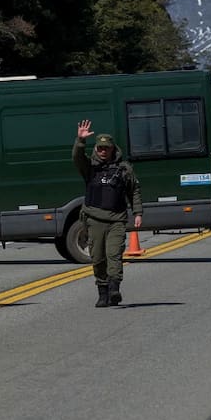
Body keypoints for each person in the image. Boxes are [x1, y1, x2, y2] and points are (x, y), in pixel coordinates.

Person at [73, 120, 143, 307]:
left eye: (107, 148)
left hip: (116, 220)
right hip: (94, 219)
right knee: (97, 257)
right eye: (100, 148)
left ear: (113, 149)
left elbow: (134, 191)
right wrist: (80, 140)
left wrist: (137, 212)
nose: (103, 151)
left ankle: (114, 289)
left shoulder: (124, 169)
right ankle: (102, 292)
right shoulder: (89, 168)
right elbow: (77, 158)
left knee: (114, 254)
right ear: (96, 149)